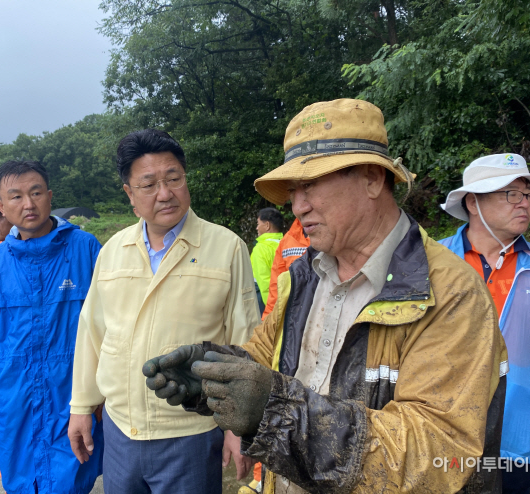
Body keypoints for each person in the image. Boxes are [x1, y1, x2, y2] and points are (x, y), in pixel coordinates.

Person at [144, 99, 509, 493]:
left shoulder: (449, 294)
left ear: (372, 178)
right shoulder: (301, 276)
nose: (297, 206)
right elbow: (265, 358)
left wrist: (273, 409)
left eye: (311, 184)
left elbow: (435, 453)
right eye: (293, 189)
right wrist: (214, 372)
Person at [68, 129, 260, 494]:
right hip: (120, 430)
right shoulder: (112, 251)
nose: (166, 193)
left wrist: (239, 427)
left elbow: (246, 341)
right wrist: (81, 406)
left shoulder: (226, 248)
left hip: (191, 433)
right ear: (129, 193)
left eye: (174, 179)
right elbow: (92, 334)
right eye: (149, 184)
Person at [0, 160, 103, 494]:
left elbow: (112, 322)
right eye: (16, 196)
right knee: (21, 474)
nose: (28, 204)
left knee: (73, 474)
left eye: (36, 193)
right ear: (0, 206)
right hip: (15, 391)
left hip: (73, 389)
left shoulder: (86, 250)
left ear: (50, 196)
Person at [439, 153, 530, 493]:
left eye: (527, 195)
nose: (524, 204)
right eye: (511, 194)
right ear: (473, 203)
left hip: (517, 435)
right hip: (444, 431)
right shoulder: (435, 264)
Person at [261, 218, 310, 319]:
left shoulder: (337, 236)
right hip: (295, 318)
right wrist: (268, 320)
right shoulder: (286, 241)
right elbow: (276, 286)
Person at [251, 207, 284, 314]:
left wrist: (272, 312)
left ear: (267, 225)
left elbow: (264, 282)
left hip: (265, 302)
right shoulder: (287, 244)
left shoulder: (261, 248)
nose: (257, 228)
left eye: (258, 223)